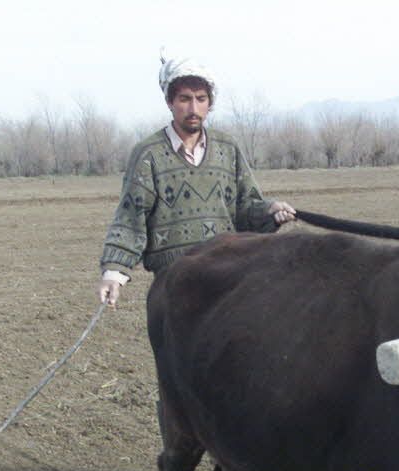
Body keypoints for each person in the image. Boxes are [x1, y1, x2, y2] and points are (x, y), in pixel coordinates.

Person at [96, 56, 296, 307]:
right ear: (170, 102)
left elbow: (245, 208)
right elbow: (130, 219)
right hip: (174, 288)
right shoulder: (149, 154)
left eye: (201, 99)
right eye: (184, 99)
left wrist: (270, 210)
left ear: (209, 103)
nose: (193, 109)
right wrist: (113, 274)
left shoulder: (228, 148)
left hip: (228, 283)